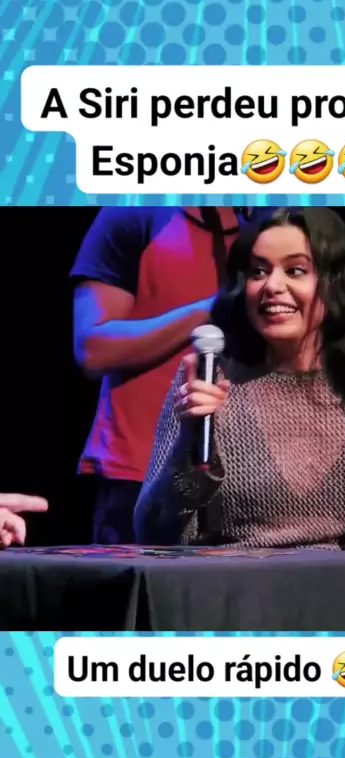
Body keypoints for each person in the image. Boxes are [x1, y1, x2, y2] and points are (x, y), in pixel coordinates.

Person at [134, 206, 345, 559]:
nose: (272, 286)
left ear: (334, 281)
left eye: (295, 270)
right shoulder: (211, 375)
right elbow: (151, 530)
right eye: (258, 271)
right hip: (239, 584)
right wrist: (190, 444)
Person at [72, 205, 247, 544]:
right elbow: (93, 349)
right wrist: (210, 309)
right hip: (140, 475)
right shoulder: (133, 213)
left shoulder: (272, 221)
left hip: (245, 476)